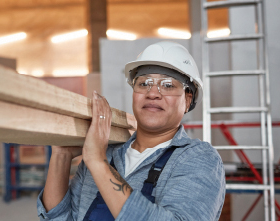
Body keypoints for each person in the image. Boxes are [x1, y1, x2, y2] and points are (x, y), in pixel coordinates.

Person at [37, 41, 226, 220]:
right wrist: (61, 155)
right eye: (143, 83)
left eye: (167, 85)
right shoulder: (107, 151)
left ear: (187, 100)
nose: (152, 93)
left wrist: (98, 163)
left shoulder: (200, 159)